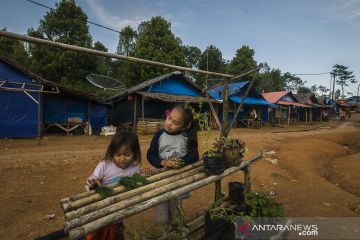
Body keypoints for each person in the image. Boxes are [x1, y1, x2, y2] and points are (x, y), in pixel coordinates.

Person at [85, 131, 149, 240]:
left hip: (118, 209)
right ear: (112, 153)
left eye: (127, 155)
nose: (122, 159)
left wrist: (146, 174)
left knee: (115, 234)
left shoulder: (135, 169)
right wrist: (94, 183)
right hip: (100, 208)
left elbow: (140, 183)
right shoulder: (105, 165)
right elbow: (91, 181)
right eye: (118, 155)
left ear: (135, 153)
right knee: (95, 233)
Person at [147, 104, 199, 224]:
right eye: (169, 118)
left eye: (175, 123)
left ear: (185, 126)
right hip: (161, 178)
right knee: (161, 207)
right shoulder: (159, 134)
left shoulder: (187, 137)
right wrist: (163, 162)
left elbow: (194, 156)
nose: (169, 123)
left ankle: (175, 229)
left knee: (176, 207)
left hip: (178, 179)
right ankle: (163, 230)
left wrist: (181, 162)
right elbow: (151, 155)